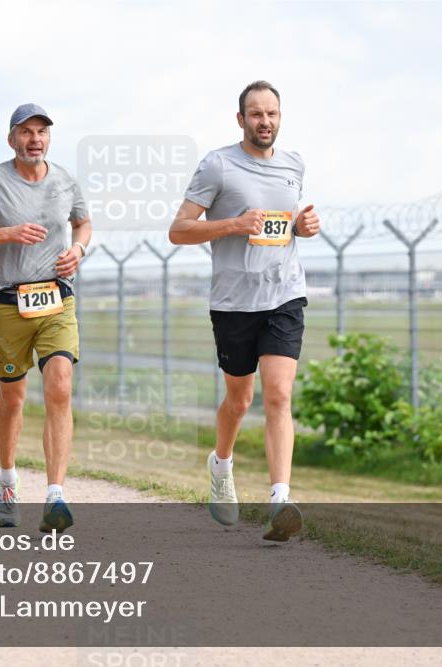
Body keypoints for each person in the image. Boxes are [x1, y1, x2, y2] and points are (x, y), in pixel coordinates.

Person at [168, 81, 320, 542]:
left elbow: (286, 225)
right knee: (240, 400)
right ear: (241, 120)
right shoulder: (218, 165)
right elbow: (179, 230)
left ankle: (279, 500)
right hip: (234, 302)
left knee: (279, 395)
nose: (265, 121)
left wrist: (303, 226)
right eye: (256, 114)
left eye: (272, 113)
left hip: (284, 295)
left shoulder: (294, 165)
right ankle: (222, 465)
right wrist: (233, 224)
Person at [0, 103, 91, 533]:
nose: (35, 139)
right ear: (11, 138)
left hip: (56, 298)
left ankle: (55, 495)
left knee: (60, 387)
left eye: (42, 132)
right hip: (7, 301)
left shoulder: (66, 179)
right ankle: (8, 480)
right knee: (13, 396)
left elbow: (83, 223)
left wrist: (79, 250)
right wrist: (8, 233)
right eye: (26, 132)